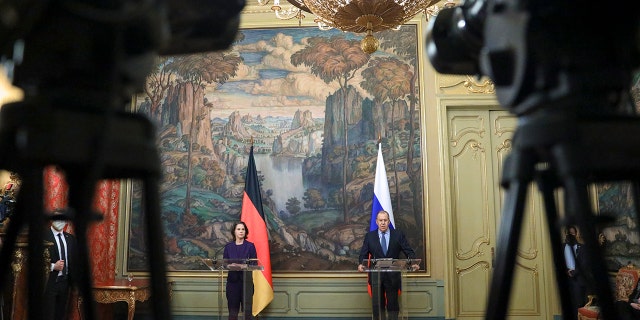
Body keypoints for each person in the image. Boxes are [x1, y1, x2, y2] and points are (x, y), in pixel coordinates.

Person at [357, 210, 420, 320]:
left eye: (385, 220)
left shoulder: (398, 235)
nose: (383, 223)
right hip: (376, 277)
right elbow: (363, 253)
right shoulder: (370, 236)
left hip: (393, 276)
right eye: (380, 220)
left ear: (389, 221)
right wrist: (360, 264)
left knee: (393, 306)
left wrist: (413, 262)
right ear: (376, 222)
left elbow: (408, 251)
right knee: (378, 306)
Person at [44, 208, 77, 320]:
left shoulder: (70, 239)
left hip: (65, 283)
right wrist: (53, 266)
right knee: (48, 315)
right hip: (49, 283)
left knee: (61, 314)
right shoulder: (43, 237)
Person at [223, 221, 257, 320]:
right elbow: (224, 264)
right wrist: (230, 265)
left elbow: (254, 264)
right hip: (232, 283)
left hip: (246, 282)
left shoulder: (250, 246)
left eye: (243, 229)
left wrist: (243, 266)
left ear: (246, 232)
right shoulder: (228, 247)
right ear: (234, 232)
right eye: (238, 229)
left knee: (247, 313)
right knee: (233, 312)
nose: (241, 231)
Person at [564, 224, 588, 314]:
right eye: (568, 233)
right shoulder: (562, 247)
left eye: (573, 233)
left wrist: (574, 272)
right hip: (566, 279)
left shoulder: (583, 248)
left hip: (578, 279)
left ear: (576, 234)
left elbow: (584, 264)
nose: (570, 235)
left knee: (578, 304)